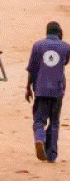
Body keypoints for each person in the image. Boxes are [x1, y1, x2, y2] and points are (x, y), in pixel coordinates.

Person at [26, 22, 70, 163]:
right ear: (59, 32)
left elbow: (32, 69)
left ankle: (39, 138)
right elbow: (64, 62)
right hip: (57, 90)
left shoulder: (38, 45)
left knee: (39, 120)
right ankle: (52, 155)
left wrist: (28, 88)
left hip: (41, 89)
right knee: (54, 122)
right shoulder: (66, 46)